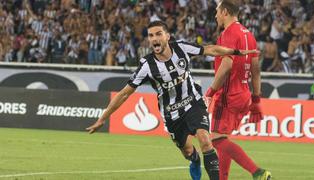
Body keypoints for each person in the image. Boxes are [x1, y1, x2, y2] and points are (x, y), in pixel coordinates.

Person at [86, 20, 257, 180]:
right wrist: (102, 118)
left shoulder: (182, 48)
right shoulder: (147, 66)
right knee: (188, 151)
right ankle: (194, 160)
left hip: (193, 102)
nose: (154, 39)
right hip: (171, 114)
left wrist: (235, 52)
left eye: (158, 34)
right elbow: (124, 94)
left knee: (205, 140)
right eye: (151, 36)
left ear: (167, 36)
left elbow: (210, 49)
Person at [204, 1, 272, 180]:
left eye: (217, 12)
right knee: (223, 139)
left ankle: (257, 172)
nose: (215, 16)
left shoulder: (228, 34)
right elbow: (256, 70)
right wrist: (256, 100)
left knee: (216, 139)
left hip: (228, 95)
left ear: (225, 12)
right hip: (244, 94)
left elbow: (226, 65)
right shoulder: (249, 35)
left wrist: (210, 92)